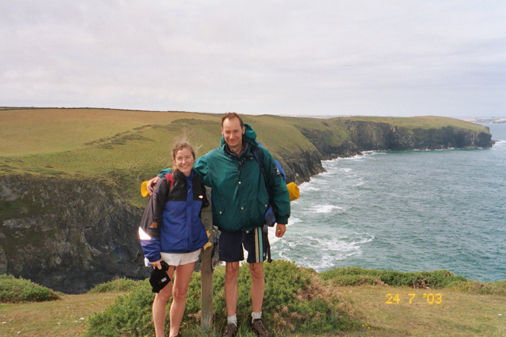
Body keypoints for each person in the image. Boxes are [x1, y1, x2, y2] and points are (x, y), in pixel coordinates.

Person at [147, 113, 290, 337]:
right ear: (222, 133)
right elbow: (187, 169)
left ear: (243, 130)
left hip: (254, 223)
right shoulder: (213, 159)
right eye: (227, 132)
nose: (232, 135)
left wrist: (282, 217)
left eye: (235, 131)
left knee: (257, 270)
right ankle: (231, 322)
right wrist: (160, 177)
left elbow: (277, 185)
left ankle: (257, 319)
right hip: (229, 225)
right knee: (231, 272)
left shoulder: (260, 154)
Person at [140, 141, 209, 337]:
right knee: (162, 295)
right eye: (180, 158)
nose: (184, 161)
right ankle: (159, 335)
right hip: (166, 251)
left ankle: (174, 333)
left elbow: (201, 212)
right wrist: (152, 254)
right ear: (174, 160)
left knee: (180, 294)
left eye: (188, 157)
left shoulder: (198, 183)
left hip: (189, 250)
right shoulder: (165, 183)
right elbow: (149, 222)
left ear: (194, 159)